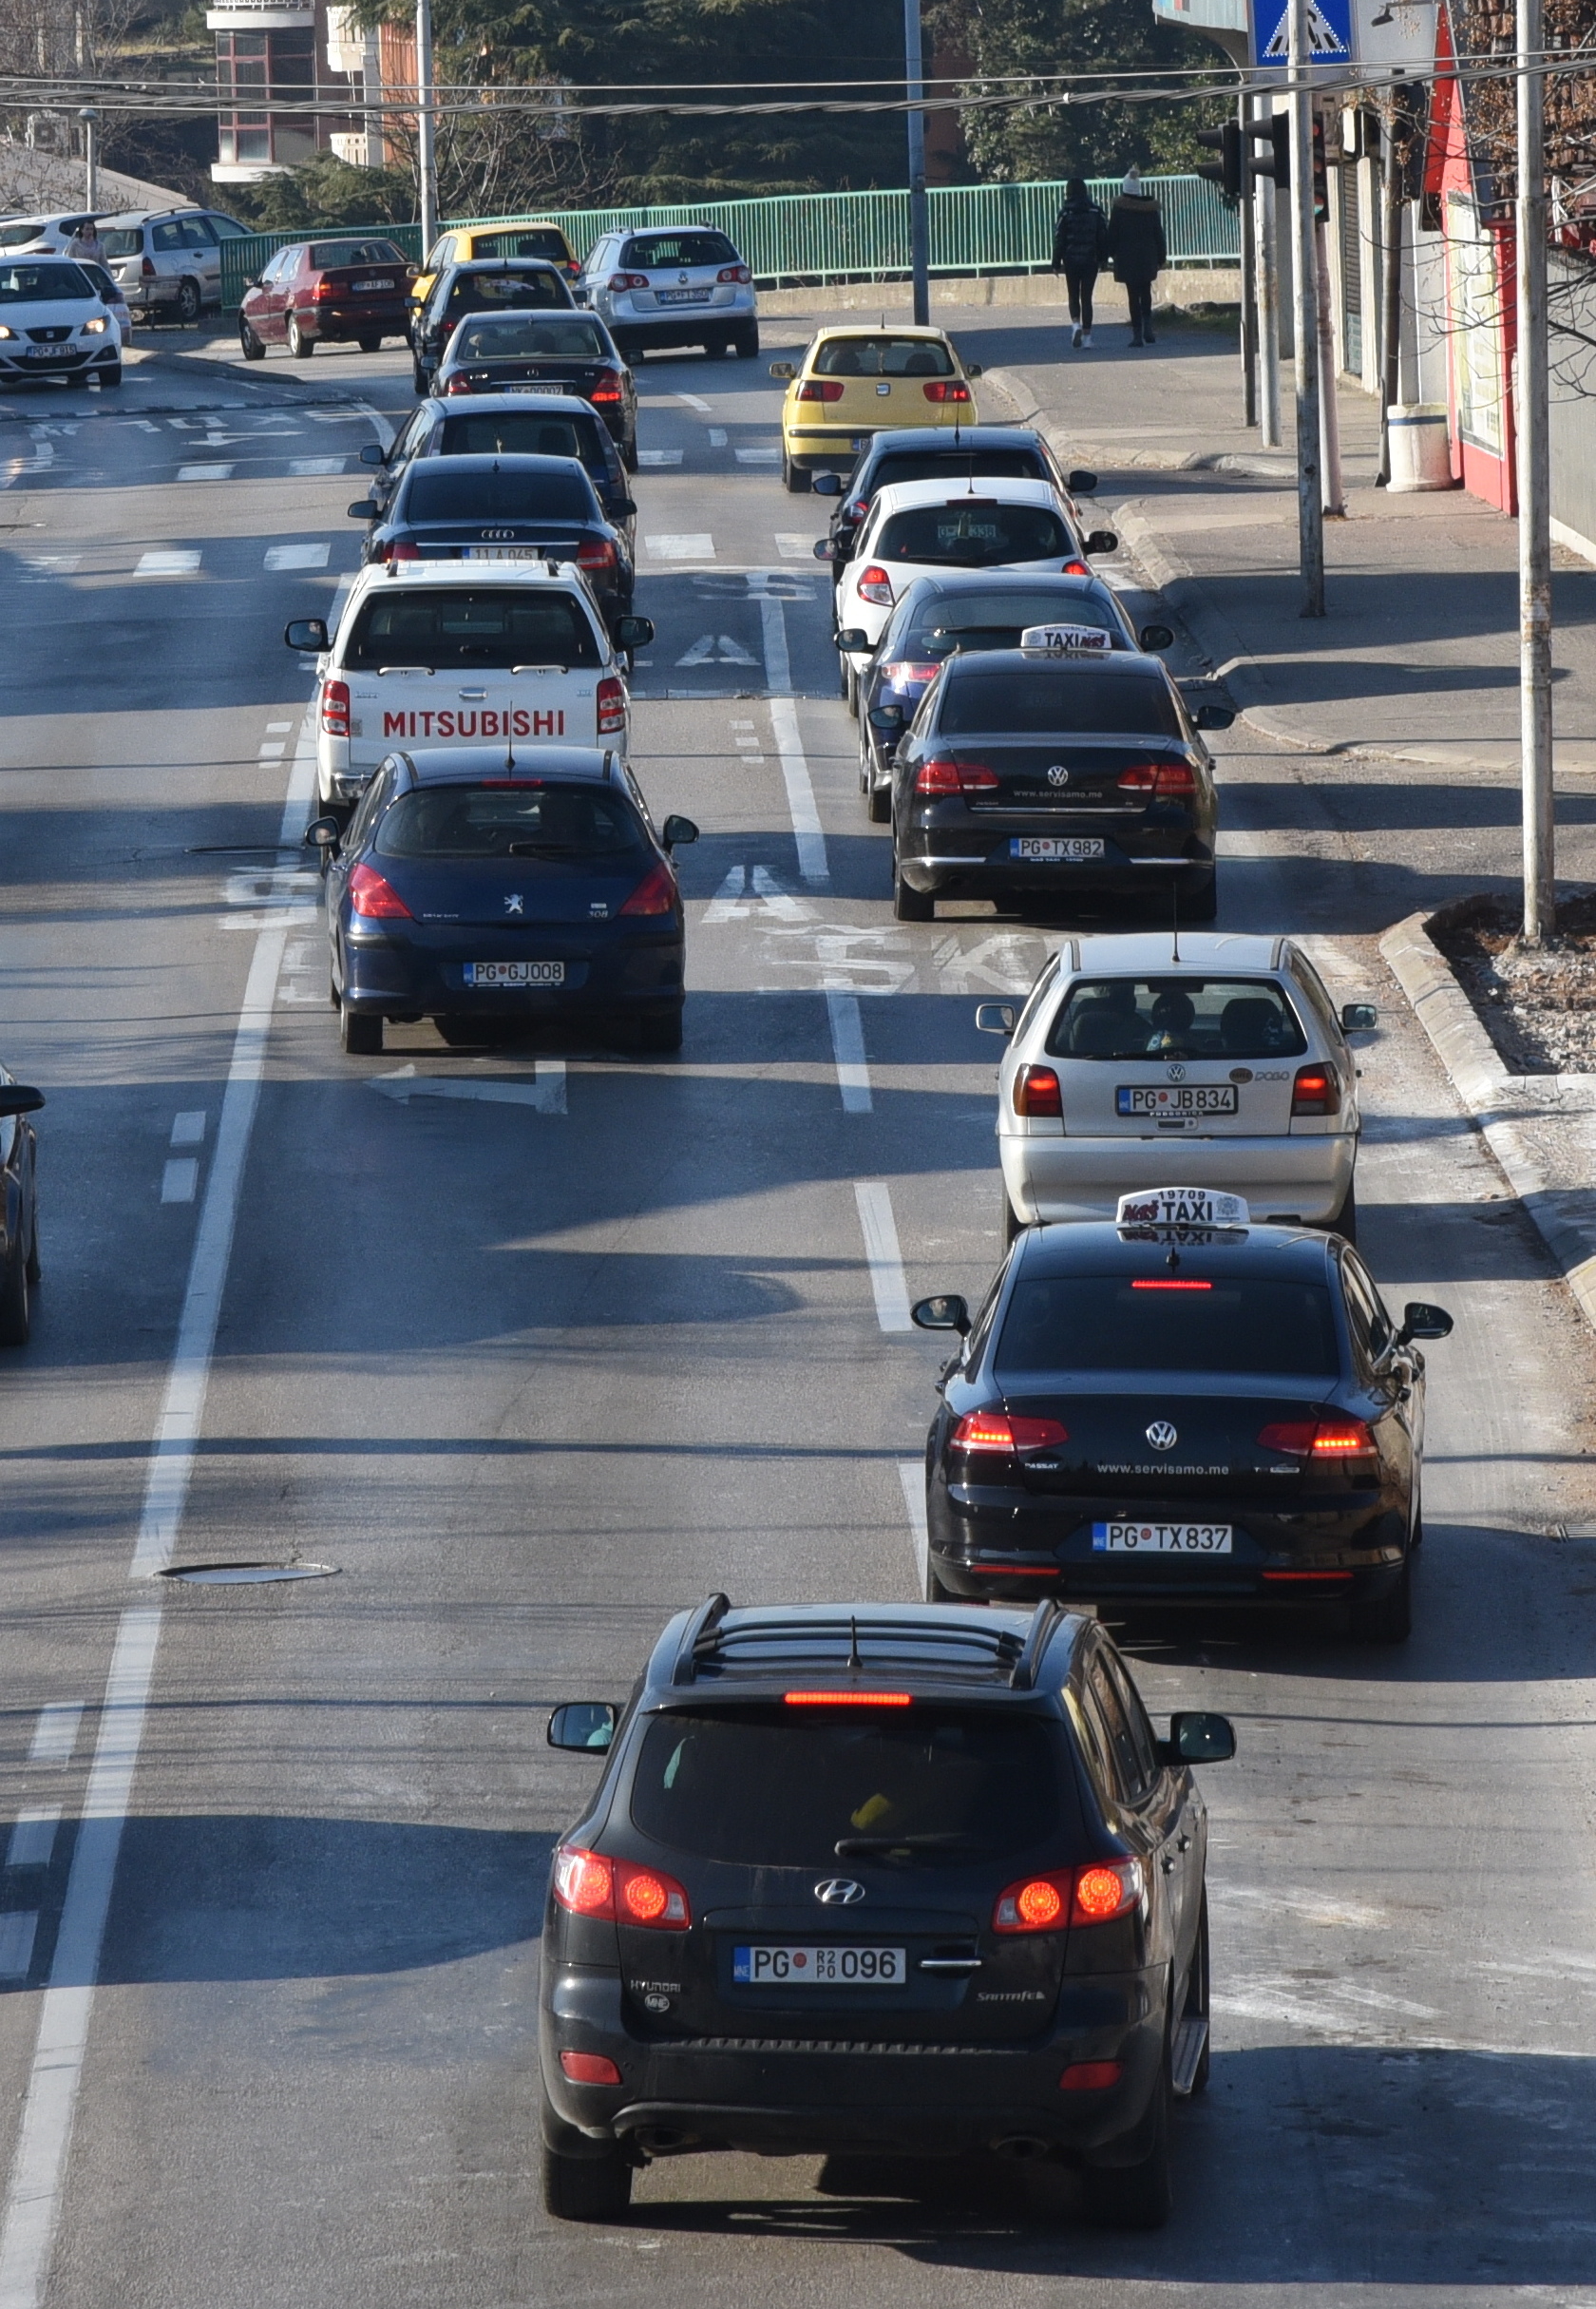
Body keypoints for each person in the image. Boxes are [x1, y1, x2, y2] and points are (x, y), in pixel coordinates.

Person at [1105, 168, 1167, 349]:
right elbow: (1158, 235)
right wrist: (1161, 257)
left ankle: (1137, 334)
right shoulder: (1150, 210)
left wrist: (1107, 254)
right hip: (1148, 257)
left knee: (1133, 295)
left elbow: (1112, 235)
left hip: (1126, 259)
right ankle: (1148, 327)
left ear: (1124, 189)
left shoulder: (1119, 210)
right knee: (1146, 290)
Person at [1051, 178, 1108, 351]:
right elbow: (1103, 237)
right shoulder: (1096, 211)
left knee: (1073, 294)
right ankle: (1088, 337)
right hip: (1091, 259)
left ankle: (1076, 325)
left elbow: (1059, 238)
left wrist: (1056, 261)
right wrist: (1103, 259)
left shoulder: (1065, 213)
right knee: (1087, 297)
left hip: (1071, 259)